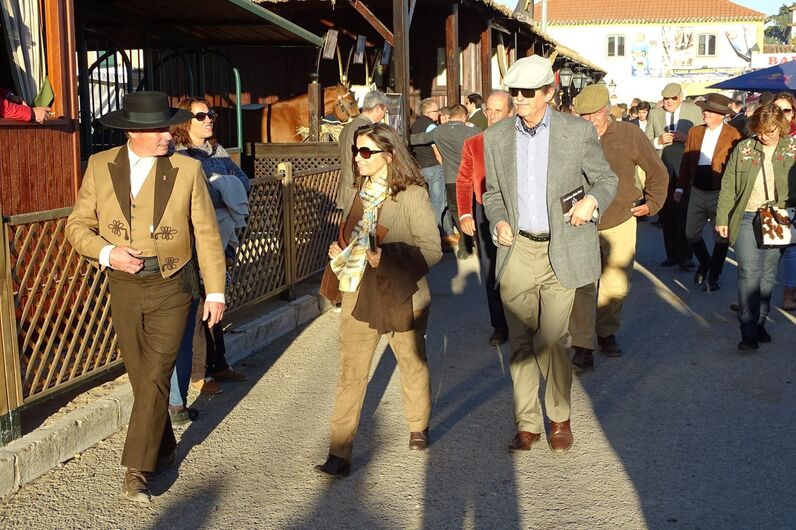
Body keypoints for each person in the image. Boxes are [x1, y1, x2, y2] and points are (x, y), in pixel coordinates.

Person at [65, 92, 226, 503]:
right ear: (133, 132)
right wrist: (107, 252)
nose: (167, 135)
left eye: (167, 127)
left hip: (173, 283)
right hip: (123, 284)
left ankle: (137, 468)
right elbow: (77, 225)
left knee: (156, 374)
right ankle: (165, 447)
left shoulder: (187, 169)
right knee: (141, 377)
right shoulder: (100, 166)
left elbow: (207, 234)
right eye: (157, 129)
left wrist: (215, 292)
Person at [482, 56, 617, 453]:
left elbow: (606, 178)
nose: (519, 99)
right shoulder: (496, 136)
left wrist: (592, 200)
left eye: (528, 92)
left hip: (562, 248)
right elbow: (492, 194)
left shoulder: (576, 132)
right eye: (514, 92)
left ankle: (559, 416)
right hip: (518, 249)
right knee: (520, 340)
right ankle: (527, 423)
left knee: (553, 340)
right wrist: (498, 220)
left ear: (548, 92)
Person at [315, 123, 442, 477]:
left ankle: (418, 425)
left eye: (365, 152)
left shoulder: (412, 195)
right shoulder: (358, 190)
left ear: (388, 155)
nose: (358, 158)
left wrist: (385, 258)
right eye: (356, 151)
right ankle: (339, 452)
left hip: (400, 291)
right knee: (351, 372)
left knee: (411, 361)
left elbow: (432, 250)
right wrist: (341, 249)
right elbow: (354, 235)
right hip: (357, 290)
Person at [568, 84, 668, 372]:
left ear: (606, 111)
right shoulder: (570, 135)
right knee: (581, 286)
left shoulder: (629, 134)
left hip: (620, 218)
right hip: (579, 221)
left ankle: (606, 332)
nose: (589, 121)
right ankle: (583, 346)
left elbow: (657, 170)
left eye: (594, 115)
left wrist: (653, 203)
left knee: (616, 284)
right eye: (583, 115)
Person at [167, 97, 251, 423]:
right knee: (199, 307)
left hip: (222, 240)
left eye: (210, 114)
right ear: (185, 123)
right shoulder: (178, 155)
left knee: (217, 301)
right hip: (195, 243)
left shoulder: (216, 151)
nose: (209, 119)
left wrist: (221, 188)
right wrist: (222, 191)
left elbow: (243, 181)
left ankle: (219, 363)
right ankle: (198, 373)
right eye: (201, 115)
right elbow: (195, 198)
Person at [716, 104, 796, 350]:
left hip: (778, 219)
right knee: (749, 272)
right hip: (746, 217)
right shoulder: (744, 148)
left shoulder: (792, 149)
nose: (764, 136)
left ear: (780, 127)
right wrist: (722, 218)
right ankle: (748, 329)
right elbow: (728, 185)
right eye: (759, 131)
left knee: (768, 275)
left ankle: (761, 321)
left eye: (770, 131)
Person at [455, 90, 514, 346]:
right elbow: (463, 180)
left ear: (511, 112)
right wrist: (465, 213)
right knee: (490, 269)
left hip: (518, 210)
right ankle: (500, 324)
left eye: (498, 111)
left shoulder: (523, 141)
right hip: (484, 211)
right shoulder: (474, 143)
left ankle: (526, 322)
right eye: (488, 110)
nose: (491, 116)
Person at [673, 93, 742, 293]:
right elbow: (687, 160)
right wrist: (680, 187)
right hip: (697, 189)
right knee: (691, 233)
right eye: (705, 109)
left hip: (720, 191)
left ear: (721, 114)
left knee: (721, 236)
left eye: (710, 110)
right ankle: (705, 262)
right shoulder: (695, 132)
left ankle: (714, 275)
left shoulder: (734, 135)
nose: (705, 113)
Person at [410, 104, 480, 259]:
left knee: (457, 214)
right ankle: (474, 244)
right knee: (474, 212)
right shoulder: (472, 131)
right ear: (464, 116)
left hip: (451, 179)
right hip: (471, 179)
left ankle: (465, 246)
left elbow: (416, 139)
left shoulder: (439, 131)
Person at [646, 82, 704, 270]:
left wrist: (687, 139)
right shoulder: (655, 114)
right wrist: (658, 140)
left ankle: (685, 256)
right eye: (666, 99)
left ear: (681, 97)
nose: (669, 102)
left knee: (684, 214)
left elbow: (703, 138)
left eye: (673, 98)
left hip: (685, 171)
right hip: (663, 171)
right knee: (667, 215)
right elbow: (645, 141)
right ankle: (671, 255)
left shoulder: (694, 111)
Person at [336, 90, 389, 217]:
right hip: (362, 189)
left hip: (346, 188)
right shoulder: (368, 129)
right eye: (384, 111)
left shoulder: (346, 128)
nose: (383, 116)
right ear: (378, 108)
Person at [411, 98, 452, 242]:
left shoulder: (415, 125)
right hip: (434, 168)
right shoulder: (432, 127)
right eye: (437, 111)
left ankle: (447, 233)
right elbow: (437, 151)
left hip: (420, 168)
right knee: (438, 205)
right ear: (429, 112)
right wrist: (445, 166)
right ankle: (434, 237)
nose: (439, 113)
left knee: (430, 204)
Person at [771, 92, 796, 309]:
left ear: (793, 113)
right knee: (765, 250)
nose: (781, 114)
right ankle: (751, 295)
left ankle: (789, 295)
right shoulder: (763, 134)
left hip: (792, 200)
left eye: (786, 110)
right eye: (777, 110)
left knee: (791, 250)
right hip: (768, 199)